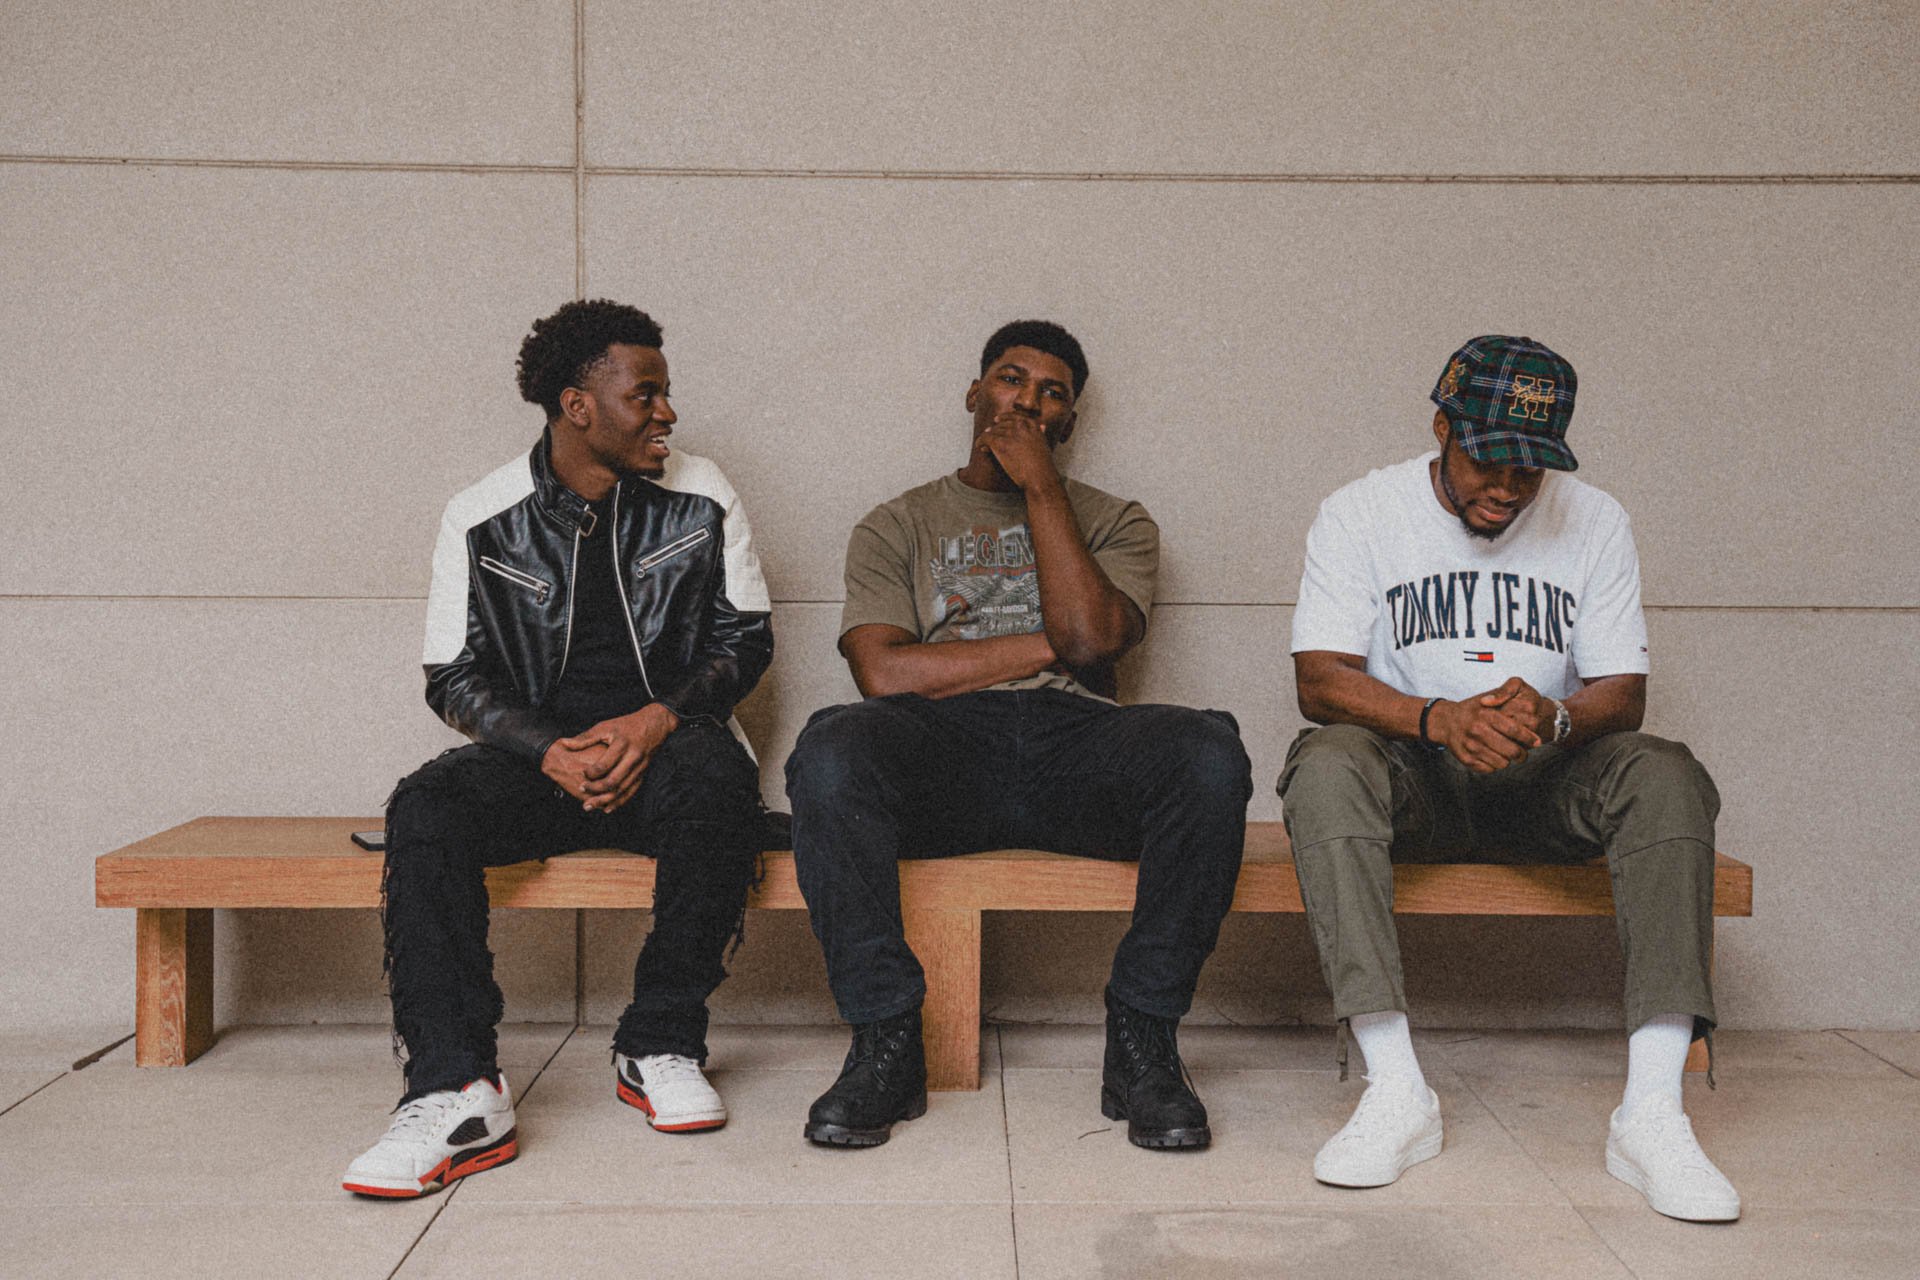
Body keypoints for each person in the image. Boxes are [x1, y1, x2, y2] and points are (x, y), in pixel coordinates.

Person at [1277, 335, 1738, 1220]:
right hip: (1413, 773)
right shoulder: (1360, 511)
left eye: (1530, 472)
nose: (1509, 489)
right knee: (1326, 765)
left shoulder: (1596, 518)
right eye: (1490, 462)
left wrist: (1550, 717)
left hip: (1545, 778)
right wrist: (1435, 719)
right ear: (1443, 429)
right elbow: (1318, 679)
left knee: (1666, 774)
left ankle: (1653, 1111)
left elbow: (1623, 693)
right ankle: (1396, 1089)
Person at [785, 320, 1253, 1150]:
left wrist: (1042, 490)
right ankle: (885, 1041)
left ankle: (1143, 1041)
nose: (1028, 401)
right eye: (1011, 379)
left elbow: (1101, 645)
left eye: (1052, 393)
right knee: (831, 748)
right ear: (975, 394)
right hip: (943, 750)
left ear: (1067, 422)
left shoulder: (1117, 523)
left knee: (1207, 751)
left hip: (1080, 748)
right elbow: (885, 675)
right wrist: (1056, 642)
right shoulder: (898, 522)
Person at [342, 299, 773, 1197]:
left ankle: (659, 1042)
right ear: (577, 405)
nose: (667, 414)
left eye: (665, 393)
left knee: (715, 779)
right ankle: (456, 1086)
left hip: (669, 752)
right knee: (425, 807)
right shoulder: (480, 514)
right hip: (537, 762)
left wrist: (654, 720)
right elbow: (451, 675)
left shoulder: (703, 492)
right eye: (643, 394)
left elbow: (745, 642)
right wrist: (548, 750)